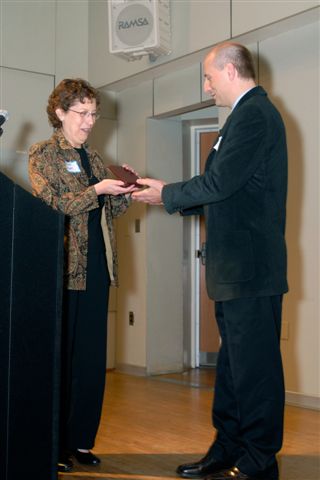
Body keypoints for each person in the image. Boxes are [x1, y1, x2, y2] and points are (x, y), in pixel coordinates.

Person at [132, 42, 288, 480]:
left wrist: (167, 194)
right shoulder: (240, 119)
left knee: (254, 370)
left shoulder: (255, 115)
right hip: (234, 270)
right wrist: (169, 195)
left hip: (250, 271)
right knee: (234, 367)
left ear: (230, 71)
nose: (206, 85)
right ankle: (228, 446)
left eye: (208, 76)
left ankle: (258, 459)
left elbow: (218, 183)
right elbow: (225, 191)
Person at [29, 78, 137, 473]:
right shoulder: (43, 155)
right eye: (82, 113)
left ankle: (81, 442)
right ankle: (54, 443)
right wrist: (98, 191)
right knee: (60, 362)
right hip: (61, 270)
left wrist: (120, 192)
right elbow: (51, 205)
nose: (90, 121)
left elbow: (109, 214)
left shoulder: (93, 157)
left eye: (94, 114)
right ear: (60, 113)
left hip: (97, 270)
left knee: (91, 363)